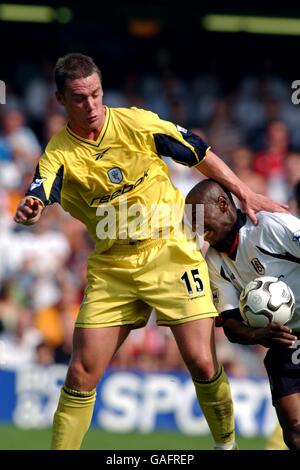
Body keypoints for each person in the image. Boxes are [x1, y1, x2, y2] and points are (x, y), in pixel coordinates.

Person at [14, 53, 287, 450]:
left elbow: (198, 151)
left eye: (95, 94)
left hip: (170, 251)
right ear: (59, 100)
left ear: (102, 89)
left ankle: (226, 447)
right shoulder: (59, 153)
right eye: (78, 98)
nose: (90, 105)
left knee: (202, 362)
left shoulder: (137, 124)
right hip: (113, 267)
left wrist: (246, 192)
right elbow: (39, 190)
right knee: (80, 373)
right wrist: (31, 207)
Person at [186, 178, 300, 450]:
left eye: (199, 218)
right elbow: (231, 325)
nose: (196, 228)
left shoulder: (270, 226)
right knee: (294, 432)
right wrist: (259, 334)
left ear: (223, 204)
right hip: (287, 342)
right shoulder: (213, 262)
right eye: (191, 221)